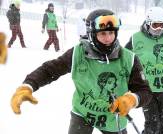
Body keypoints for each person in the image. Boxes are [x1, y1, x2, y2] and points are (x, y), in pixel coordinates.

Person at [10, 9, 152, 134]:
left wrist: (132, 99)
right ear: (91, 34)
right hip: (83, 114)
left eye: (111, 32)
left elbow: (145, 90)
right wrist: (28, 86)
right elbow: (50, 70)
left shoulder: (129, 59)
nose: (108, 38)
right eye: (102, 33)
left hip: (113, 116)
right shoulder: (78, 53)